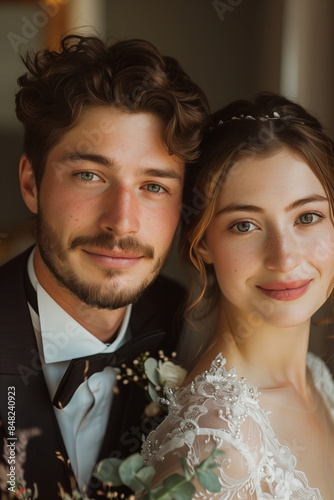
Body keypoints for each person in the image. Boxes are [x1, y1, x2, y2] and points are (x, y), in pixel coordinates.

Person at [0, 34, 209, 499]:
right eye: (90, 175)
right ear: (32, 183)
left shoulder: (193, 328)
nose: (121, 222)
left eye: (154, 186)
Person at [141, 92, 334, 499]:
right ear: (202, 244)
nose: (283, 258)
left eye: (308, 217)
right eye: (245, 225)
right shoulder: (214, 444)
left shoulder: (318, 379)